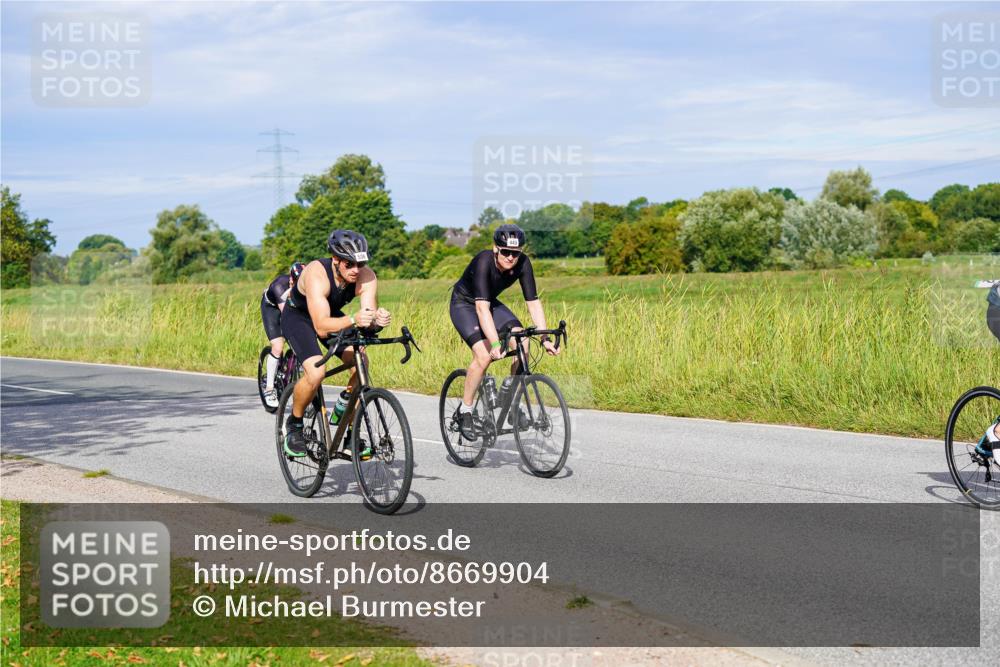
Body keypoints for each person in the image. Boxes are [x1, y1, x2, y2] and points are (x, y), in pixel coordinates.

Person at [280, 230, 391, 459]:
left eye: (360, 263)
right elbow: (321, 327)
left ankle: (350, 433)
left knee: (361, 364)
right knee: (317, 371)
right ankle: (295, 424)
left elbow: (367, 315)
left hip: (331, 315)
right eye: (349, 264)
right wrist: (352, 319)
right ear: (336, 260)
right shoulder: (316, 274)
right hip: (300, 318)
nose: (356, 270)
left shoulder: (366, 276)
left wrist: (376, 322)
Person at [448, 223, 561, 435]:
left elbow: (533, 303)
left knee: (523, 342)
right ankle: (466, 410)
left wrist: (544, 337)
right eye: (506, 252)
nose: (510, 257)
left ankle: (510, 401)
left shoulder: (523, 264)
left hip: (489, 302)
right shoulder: (483, 261)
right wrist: (496, 343)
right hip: (465, 305)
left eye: (515, 253)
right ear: (495, 249)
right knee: (483, 356)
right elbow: (481, 309)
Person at [260, 262, 304, 408]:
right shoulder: (280, 286)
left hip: (290, 308)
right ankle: (270, 388)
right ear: (292, 280)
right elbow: (288, 316)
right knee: (278, 346)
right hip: (272, 308)